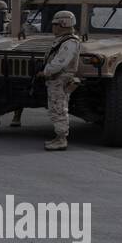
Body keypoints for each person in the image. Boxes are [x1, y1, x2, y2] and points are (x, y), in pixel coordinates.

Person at [37, 10, 81, 151]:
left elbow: (60, 62)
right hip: (56, 79)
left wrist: (45, 72)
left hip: (60, 79)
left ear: (64, 24)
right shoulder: (62, 41)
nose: (53, 27)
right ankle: (58, 137)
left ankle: (61, 139)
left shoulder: (70, 42)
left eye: (55, 24)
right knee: (55, 108)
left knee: (59, 109)